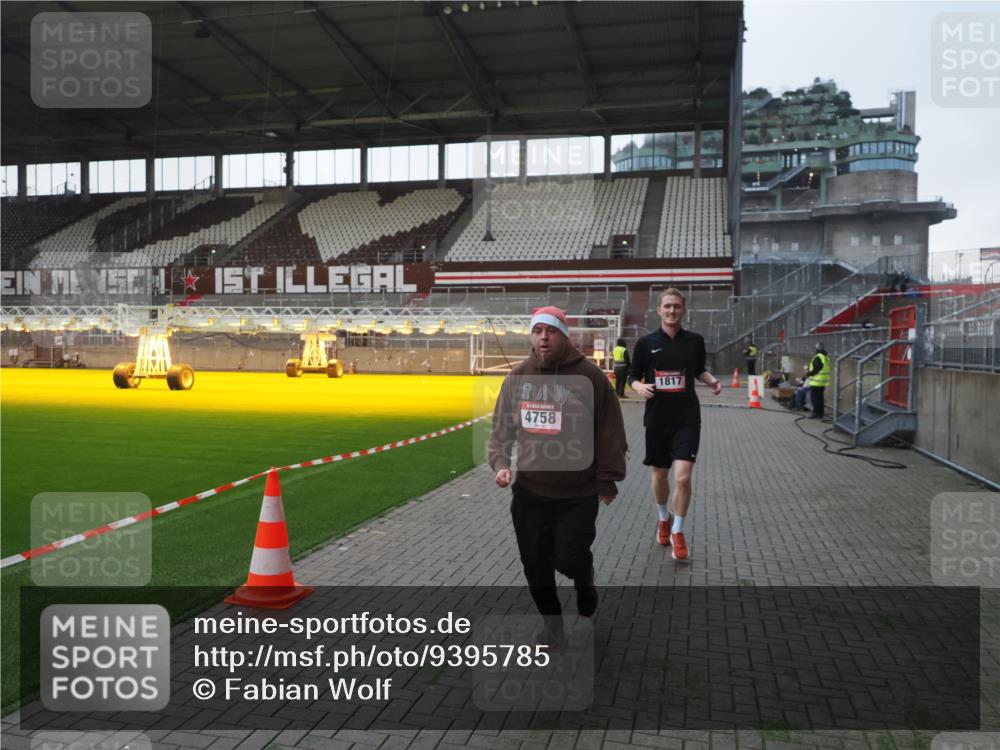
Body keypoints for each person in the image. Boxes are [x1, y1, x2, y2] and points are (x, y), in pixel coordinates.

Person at [488, 306, 627, 640]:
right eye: (537, 331)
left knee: (569, 557)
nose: (544, 337)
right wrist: (502, 464)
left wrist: (607, 479)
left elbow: (610, 429)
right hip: (530, 493)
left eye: (550, 331)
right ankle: (552, 624)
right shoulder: (518, 377)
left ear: (564, 335)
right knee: (534, 565)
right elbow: (501, 428)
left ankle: (584, 580)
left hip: (577, 494)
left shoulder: (590, 376)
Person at [628, 289, 722, 561]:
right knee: (659, 475)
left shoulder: (694, 341)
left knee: (682, 477)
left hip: (687, 419)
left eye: (677, 307)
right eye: (667, 306)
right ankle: (663, 519)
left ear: (683, 310)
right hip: (657, 419)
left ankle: (678, 532)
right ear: (658, 310)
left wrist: (713, 381)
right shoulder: (646, 343)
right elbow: (633, 376)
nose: (672, 311)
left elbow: (698, 369)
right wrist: (638, 386)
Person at [806, 341, 831, 419]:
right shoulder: (825, 357)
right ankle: (820, 413)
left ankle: (815, 413)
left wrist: (808, 373)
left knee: (815, 398)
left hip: (816, 381)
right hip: (823, 381)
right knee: (820, 398)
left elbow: (816, 368)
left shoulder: (818, 357)